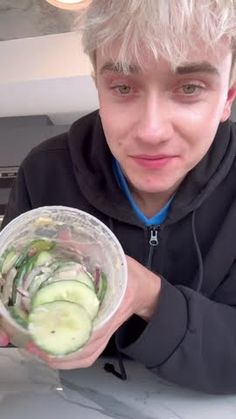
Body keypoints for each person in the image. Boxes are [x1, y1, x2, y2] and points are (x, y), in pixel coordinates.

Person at [1, 0, 236, 394]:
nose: (151, 130)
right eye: (123, 87)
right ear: (98, 86)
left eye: (190, 87)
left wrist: (149, 295)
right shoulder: (44, 173)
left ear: (227, 99)